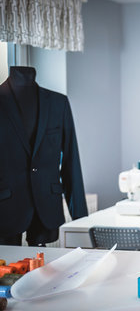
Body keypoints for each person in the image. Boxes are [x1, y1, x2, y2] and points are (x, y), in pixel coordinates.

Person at [0, 66, 88, 246]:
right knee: (8, 270)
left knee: (45, 269)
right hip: (5, 208)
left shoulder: (58, 103)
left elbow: (71, 160)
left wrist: (80, 217)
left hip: (47, 206)